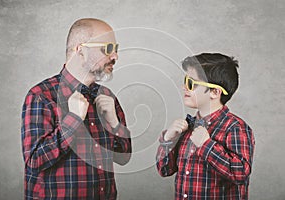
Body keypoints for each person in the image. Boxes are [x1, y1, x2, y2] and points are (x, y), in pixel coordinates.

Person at [21, 18, 132, 200]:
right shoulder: (41, 95)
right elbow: (34, 161)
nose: (115, 56)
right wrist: (73, 119)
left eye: (116, 49)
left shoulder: (106, 96)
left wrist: (114, 123)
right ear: (80, 50)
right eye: (108, 49)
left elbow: (123, 158)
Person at [156, 53, 255, 199]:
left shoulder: (235, 128)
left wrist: (206, 145)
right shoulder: (187, 127)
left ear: (215, 92)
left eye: (191, 83)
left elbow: (240, 174)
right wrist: (168, 139)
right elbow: (164, 170)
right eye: (185, 81)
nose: (184, 87)